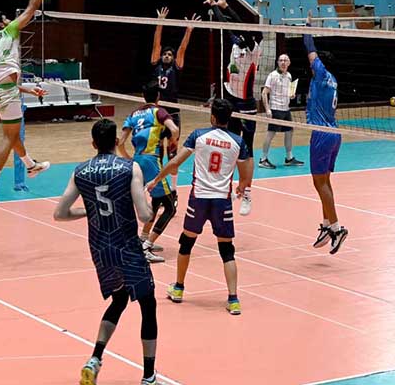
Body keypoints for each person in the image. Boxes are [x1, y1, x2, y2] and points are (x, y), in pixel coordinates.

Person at [54, 119, 159, 385]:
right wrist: (153, 202)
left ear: (93, 144)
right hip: (127, 247)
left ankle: (95, 358)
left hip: (101, 250)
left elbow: (60, 213)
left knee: (119, 299)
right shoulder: (129, 168)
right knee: (148, 305)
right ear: (116, 142)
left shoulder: (81, 171)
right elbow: (145, 214)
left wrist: (89, 210)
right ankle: (148, 376)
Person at [147, 98, 253, 315]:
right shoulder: (237, 143)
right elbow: (245, 174)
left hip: (200, 198)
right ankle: (233, 299)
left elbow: (175, 162)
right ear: (229, 118)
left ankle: (178, 288)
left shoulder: (199, 136)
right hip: (221, 200)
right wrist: (242, 188)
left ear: (212, 117)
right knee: (227, 250)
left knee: (186, 243)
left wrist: (157, 179)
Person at [0, 0, 55, 206]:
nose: (11, 20)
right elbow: (32, 8)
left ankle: (31, 165)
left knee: (13, 135)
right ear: (2, 23)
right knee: (9, 137)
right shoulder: (8, 31)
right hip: (5, 93)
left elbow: (3, 77)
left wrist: (27, 90)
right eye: (7, 18)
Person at [207, 0, 262, 216]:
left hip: (247, 104)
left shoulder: (253, 49)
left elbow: (238, 27)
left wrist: (226, 6)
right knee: (228, 144)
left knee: (246, 150)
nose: (240, 37)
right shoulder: (237, 44)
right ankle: (226, 188)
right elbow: (228, 27)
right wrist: (213, 6)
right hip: (230, 101)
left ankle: (247, 193)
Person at [118, 81, 180, 264]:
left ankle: (143, 238)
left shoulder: (133, 114)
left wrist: (129, 159)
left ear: (143, 96)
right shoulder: (158, 111)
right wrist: (173, 142)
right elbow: (174, 129)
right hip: (152, 161)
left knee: (155, 202)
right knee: (170, 206)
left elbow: (120, 143)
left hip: (137, 161)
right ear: (158, 97)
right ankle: (146, 247)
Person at [302, 14, 348, 254]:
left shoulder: (320, 74)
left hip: (321, 134)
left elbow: (308, 45)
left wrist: (308, 26)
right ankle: (327, 224)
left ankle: (338, 228)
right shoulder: (334, 80)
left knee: (320, 183)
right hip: (334, 133)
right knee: (324, 182)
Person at [150, 6, 200, 174]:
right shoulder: (156, 64)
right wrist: (160, 23)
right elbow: (156, 44)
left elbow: (182, 49)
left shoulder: (176, 67)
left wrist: (189, 30)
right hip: (158, 111)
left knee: (173, 150)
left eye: (170, 55)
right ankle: (158, 180)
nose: (167, 56)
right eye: (165, 54)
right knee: (158, 152)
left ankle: (173, 185)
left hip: (173, 112)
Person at [259, 53, 304, 169]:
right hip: (276, 109)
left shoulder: (289, 76)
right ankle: (263, 159)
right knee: (270, 134)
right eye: (281, 60)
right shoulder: (272, 75)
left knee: (289, 132)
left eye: (285, 60)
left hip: (286, 109)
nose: (283, 62)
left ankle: (289, 158)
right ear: (278, 63)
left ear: (289, 63)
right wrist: (268, 109)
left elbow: (287, 93)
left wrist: (291, 96)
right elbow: (264, 93)